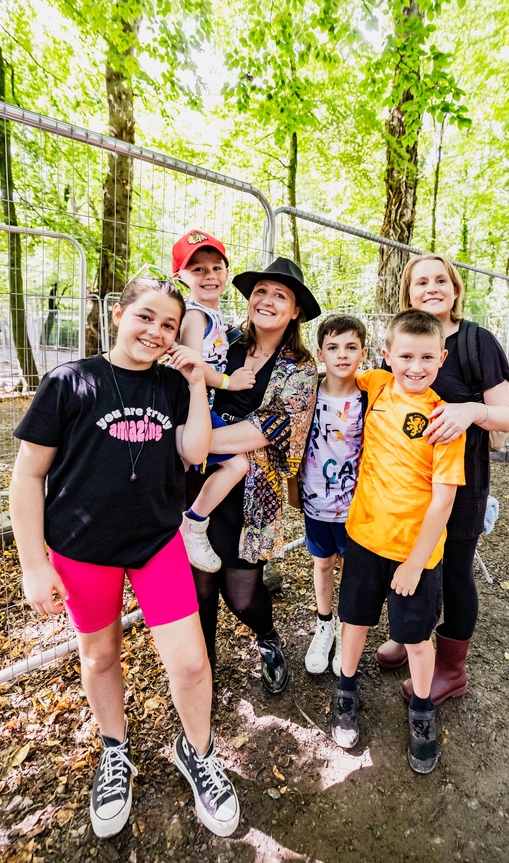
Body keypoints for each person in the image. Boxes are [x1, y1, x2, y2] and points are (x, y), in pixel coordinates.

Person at [9, 274, 240, 840]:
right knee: (101, 655)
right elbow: (27, 476)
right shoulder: (70, 382)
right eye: (146, 318)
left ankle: (199, 752)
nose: (156, 332)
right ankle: (116, 751)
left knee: (189, 662)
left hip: (156, 544)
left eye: (168, 324)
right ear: (118, 314)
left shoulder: (170, 385)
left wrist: (194, 384)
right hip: (82, 549)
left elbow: (193, 453)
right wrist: (33, 564)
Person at [376, 253, 509, 706]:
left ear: (455, 289)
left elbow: (507, 417)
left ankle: (451, 669)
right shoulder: (406, 341)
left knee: (453, 572)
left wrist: (471, 410)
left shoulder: (478, 342)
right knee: (413, 560)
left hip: (461, 482)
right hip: (408, 489)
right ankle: (413, 635)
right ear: (408, 293)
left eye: (441, 280)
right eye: (421, 282)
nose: (432, 287)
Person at [331, 309, 466, 773]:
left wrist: (415, 561)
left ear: (442, 358)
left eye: (426, 357)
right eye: (404, 355)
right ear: (386, 356)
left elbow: (443, 501)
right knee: (355, 621)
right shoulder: (377, 385)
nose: (415, 366)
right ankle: (346, 691)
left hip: (417, 554)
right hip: (365, 539)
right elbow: (336, 366)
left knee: (415, 638)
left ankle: (423, 709)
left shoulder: (442, 420)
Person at [186, 257, 319, 694]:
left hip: (250, 490)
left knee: (241, 594)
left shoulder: (300, 368)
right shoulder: (223, 340)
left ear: (295, 310)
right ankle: (202, 671)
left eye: (280, 295)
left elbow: (272, 430)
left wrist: (191, 440)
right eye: (261, 291)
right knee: (200, 587)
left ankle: (267, 638)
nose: (267, 300)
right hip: (196, 482)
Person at [171, 230, 255, 573]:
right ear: (181, 277)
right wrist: (228, 382)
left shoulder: (213, 315)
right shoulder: (194, 315)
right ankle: (193, 524)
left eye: (216, 268)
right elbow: (190, 362)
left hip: (200, 408)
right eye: (198, 269)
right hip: (193, 408)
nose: (210, 276)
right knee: (238, 464)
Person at [299, 314, 368, 677]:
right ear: (320, 353)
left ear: (363, 353)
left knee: (351, 569)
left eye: (351, 347)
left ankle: (347, 630)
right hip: (315, 503)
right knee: (322, 564)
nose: (342, 355)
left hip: (355, 509)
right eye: (333, 347)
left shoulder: (370, 399)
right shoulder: (307, 395)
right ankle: (324, 624)